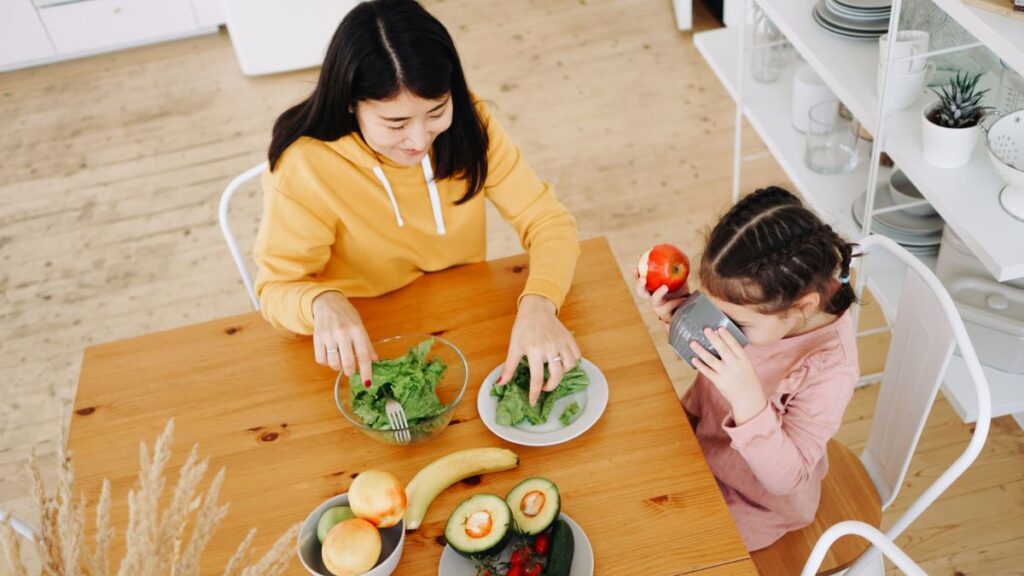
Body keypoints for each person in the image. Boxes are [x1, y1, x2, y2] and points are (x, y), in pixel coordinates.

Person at [253, 0, 580, 405]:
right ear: (351, 103)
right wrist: (322, 301)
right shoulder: (303, 167)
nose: (420, 140)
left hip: (462, 320)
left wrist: (539, 307)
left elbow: (546, 219)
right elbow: (275, 288)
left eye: (436, 111)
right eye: (395, 123)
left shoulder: (468, 124)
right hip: (364, 344)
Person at [637, 186, 860, 550]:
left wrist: (749, 401)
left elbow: (787, 480)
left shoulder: (830, 369)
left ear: (802, 308)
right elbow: (731, 319)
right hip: (699, 442)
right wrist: (681, 316)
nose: (718, 326)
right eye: (711, 307)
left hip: (754, 501)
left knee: (661, 546)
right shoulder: (764, 310)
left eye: (735, 325)